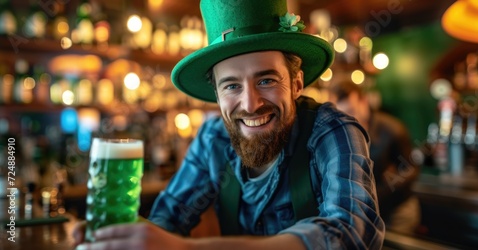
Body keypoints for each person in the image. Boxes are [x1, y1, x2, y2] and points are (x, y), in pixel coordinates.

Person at [73, 0, 385, 249]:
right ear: (217, 95)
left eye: (266, 79)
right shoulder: (213, 139)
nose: (250, 104)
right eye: (232, 86)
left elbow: (352, 233)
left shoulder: (333, 132)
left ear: (297, 82)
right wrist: (118, 237)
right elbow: (168, 220)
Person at [329, 80, 420, 235]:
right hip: (363, 212)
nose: (347, 119)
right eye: (341, 114)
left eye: (351, 111)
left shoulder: (393, 129)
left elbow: (411, 169)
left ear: (364, 102)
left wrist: (381, 192)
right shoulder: (341, 133)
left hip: (397, 210)